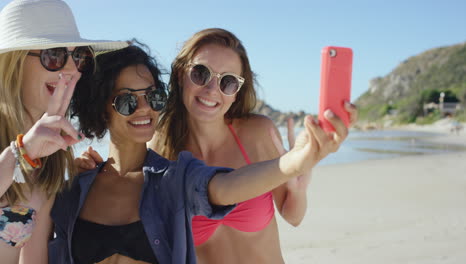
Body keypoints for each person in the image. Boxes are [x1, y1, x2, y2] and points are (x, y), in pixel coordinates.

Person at [49, 41, 349, 264]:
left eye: (153, 97)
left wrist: (297, 162)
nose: (144, 108)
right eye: (127, 101)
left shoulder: (176, 177)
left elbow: (224, 187)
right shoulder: (74, 187)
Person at [151, 28, 357, 263]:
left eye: (228, 82)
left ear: (237, 92)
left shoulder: (257, 134)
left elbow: (293, 216)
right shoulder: (162, 148)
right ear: (180, 74)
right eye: (201, 73)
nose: (211, 90)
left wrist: (298, 188)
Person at [0, 0, 127, 263]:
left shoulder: (52, 155)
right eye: (54, 55)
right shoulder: (29, 150)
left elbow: (32, 257)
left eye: (78, 56)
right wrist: (20, 153)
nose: (71, 70)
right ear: (13, 63)